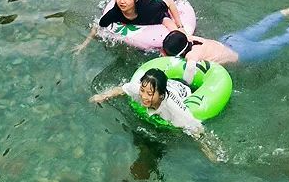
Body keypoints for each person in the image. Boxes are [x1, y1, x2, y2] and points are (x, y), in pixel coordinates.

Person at [90, 67, 222, 161]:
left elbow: (196, 127)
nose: (144, 97)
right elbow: (122, 89)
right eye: (142, 90)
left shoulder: (174, 110)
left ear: (161, 96)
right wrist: (102, 96)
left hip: (183, 91)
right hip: (168, 84)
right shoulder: (140, 89)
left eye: (150, 93)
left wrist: (207, 150)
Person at [161, 8, 289, 69]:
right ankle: (284, 13)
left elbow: (189, 73)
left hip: (241, 52)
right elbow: (170, 25)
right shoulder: (185, 37)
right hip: (229, 39)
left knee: (277, 42)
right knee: (258, 27)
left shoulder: (192, 56)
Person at [72, 0, 185, 53]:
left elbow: (169, 2)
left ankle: (183, 36)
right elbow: (98, 25)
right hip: (139, 21)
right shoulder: (114, 13)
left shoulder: (149, 7)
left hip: (155, 18)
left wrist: (179, 25)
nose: (122, 1)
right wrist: (84, 44)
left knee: (166, 20)